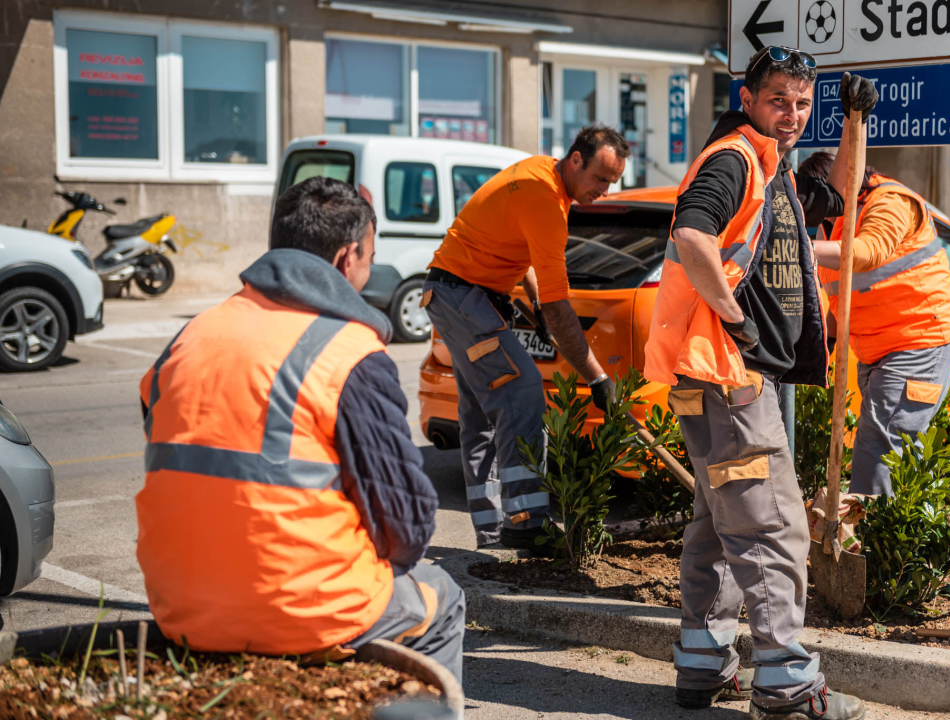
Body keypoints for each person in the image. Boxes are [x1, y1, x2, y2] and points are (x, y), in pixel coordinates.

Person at [135, 177, 464, 682]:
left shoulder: (189, 337)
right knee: (442, 597)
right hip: (305, 610)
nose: (368, 270)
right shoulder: (347, 352)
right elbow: (407, 526)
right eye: (369, 257)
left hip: (177, 606)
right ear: (345, 257)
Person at [644, 46, 878, 720]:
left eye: (801, 103)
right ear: (745, 99)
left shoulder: (775, 170)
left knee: (718, 523)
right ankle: (787, 686)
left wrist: (853, 119)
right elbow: (692, 236)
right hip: (727, 376)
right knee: (772, 527)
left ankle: (701, 663)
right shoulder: (733, 160)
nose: (791, 114)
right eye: (778, 100)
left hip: (716, 377)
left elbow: (840, 194)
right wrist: (735, 318)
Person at [423, 125, 630, 550]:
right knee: (521, 390)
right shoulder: (546, 202)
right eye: (601, 179)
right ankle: (524, 521)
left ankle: (492, 532)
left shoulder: (539, 173)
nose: (605, 191)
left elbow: (524, 255)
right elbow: (560, 308)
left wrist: (534, 301)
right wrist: (597, 379)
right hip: (464, 295)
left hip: (455, 294)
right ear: (576, 160)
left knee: (481, 416)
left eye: (612, 182)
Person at [799, 152, 950, 497]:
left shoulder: (890, 201)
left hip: (921, 338)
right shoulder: (834, 221)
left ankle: (873, 539)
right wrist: (821, 349)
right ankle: (903, 532)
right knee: (894, 446)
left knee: (879, 445)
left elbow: (867, 252)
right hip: (878, 347)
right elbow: (841, 298)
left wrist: (800, 246)